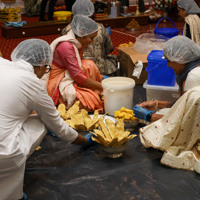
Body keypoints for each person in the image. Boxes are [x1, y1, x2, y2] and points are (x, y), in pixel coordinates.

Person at [0, 39, 94, 200]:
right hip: (4, 156)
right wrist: (84, 141)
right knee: (42, 121)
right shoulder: (34, 84)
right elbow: (57, 125)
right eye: (46, 69)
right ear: (41, 64)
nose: (45, 72)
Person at [42, 14, 104, 112]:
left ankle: (87, 90)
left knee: (89, 64)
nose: (92, 42)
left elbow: (77, 67)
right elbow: (77, 76)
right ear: (81, 34)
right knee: (92, 102)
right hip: (57, 80)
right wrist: (102, 85)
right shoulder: (66, 46)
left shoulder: (76, 40)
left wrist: (102, 79)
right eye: (91, 38)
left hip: (69, 73)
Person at [133, 35, 200, 122]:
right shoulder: (188, 69)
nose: (168, 65)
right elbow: (183, 105)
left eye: (168, 61)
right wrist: (157, 104)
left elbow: (186, 121)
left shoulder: (194, 77)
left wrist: (150, 116)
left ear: (181, 58)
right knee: (163, 112)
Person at [61, 0, 119, 75]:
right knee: (114, 60)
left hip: (77, 71)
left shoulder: (66, 30)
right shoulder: (100, 28)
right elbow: (109, 48)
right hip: (100, 70)